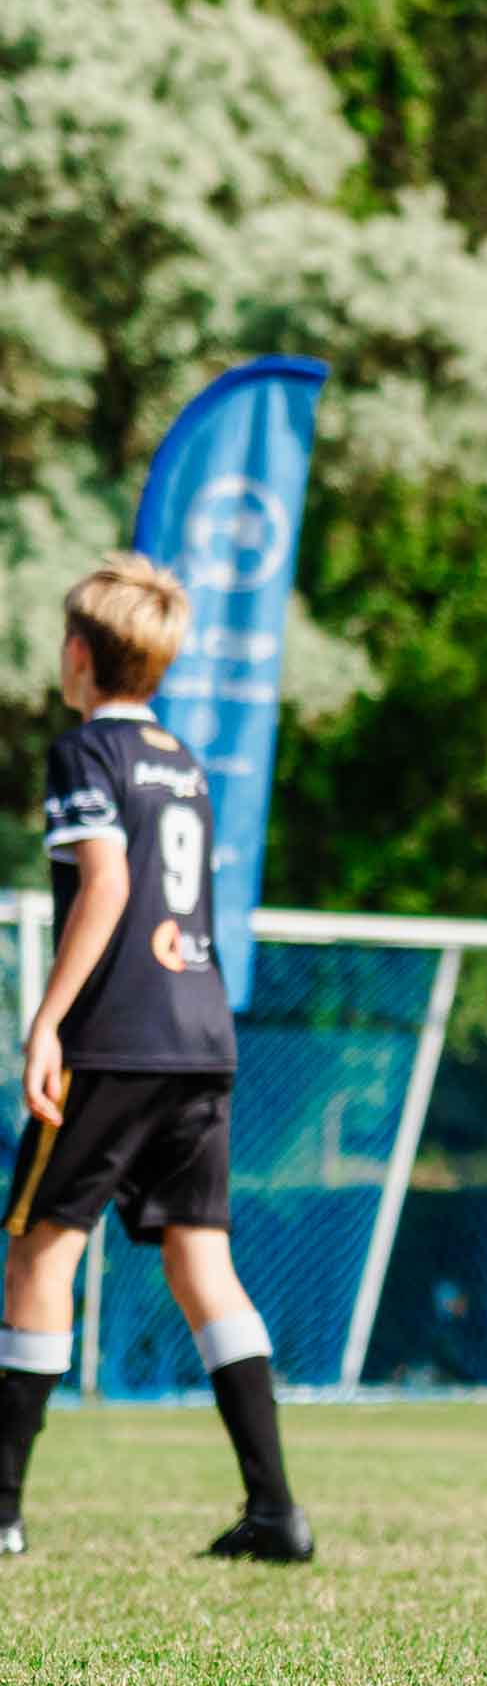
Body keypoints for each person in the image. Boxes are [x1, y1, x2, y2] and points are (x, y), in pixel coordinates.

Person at [0, 555, 312, 1563]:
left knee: (41, 1250)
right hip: (200, 1034)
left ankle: (2, 1510)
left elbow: (106, 884)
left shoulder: (86, 750)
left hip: (119, 1033)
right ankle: (275, 1509)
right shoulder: (184, 761)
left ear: (77, 654)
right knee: (200, 1259)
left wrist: (48, 1021)